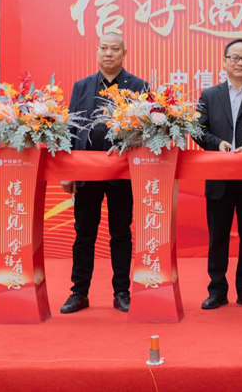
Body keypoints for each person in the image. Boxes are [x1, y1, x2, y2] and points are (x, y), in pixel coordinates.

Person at [59, 34, 148, 314]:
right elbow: (71, 130)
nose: (109, 53)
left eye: (115, 49)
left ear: (124, 53)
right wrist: (68, 171)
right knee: (84, 233)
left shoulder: (138, 86)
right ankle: (79, 292)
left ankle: (122, 292)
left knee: (121, 233)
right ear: (97, 52)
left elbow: (145, 130)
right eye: (104, 48)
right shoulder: (82, 86)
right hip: (86, 172)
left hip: (121, 173)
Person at [194, 39, 242, 310]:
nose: (239, 63)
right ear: (225, 61)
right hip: (219, 177)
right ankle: (217, 290)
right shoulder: (209, 95)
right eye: (234, 57)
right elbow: (197, 130)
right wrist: (217, 144)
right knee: (218, 237)